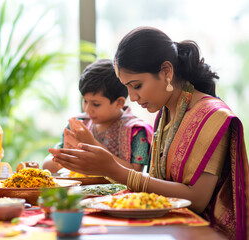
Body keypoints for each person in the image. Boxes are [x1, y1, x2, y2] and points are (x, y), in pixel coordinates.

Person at [50, 26, 248, 239]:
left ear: (166, 71)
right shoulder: (165, 114)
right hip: (169, 227)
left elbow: (197, 200)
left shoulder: (212, 116)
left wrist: (114, 170)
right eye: (127, 88)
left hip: (203, 232)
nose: (132, 97)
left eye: (137, 85)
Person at [43, 59, 153, 174]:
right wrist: (65, 157)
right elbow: (46, 166)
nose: (87, 109)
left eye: (96, 104)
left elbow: (135, 174)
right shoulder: (78, 125)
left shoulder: (136, 130)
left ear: (119, 103)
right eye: (85, 101)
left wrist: (92, 143)